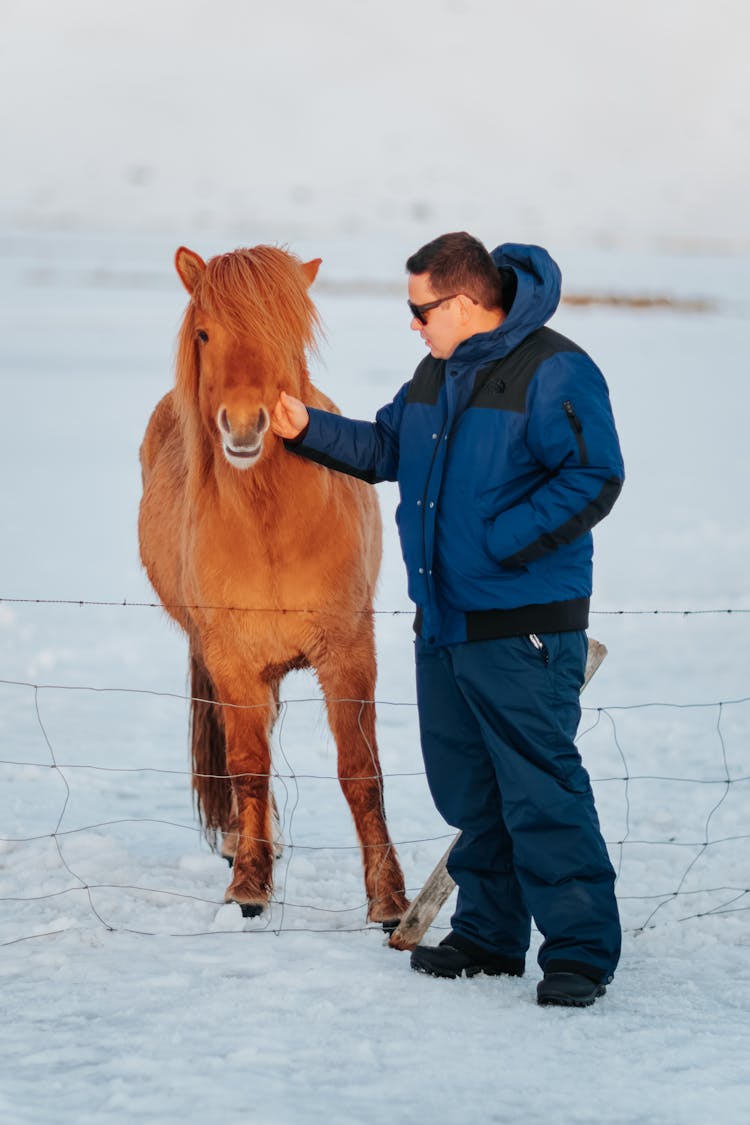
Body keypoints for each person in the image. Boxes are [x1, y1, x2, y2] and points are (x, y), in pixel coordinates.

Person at [271, 232, 624, 1007]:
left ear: (463, 302)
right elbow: (389, 445)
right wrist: (306, 432)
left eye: (419, 308)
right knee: (470, 791)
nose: (412, 323)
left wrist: (502, 543)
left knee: (541, 790)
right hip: (446, 621)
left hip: (523, 624)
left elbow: (596, 473)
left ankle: (580, 952)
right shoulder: (437, 370)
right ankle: (490, 936)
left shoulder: (552, 367)